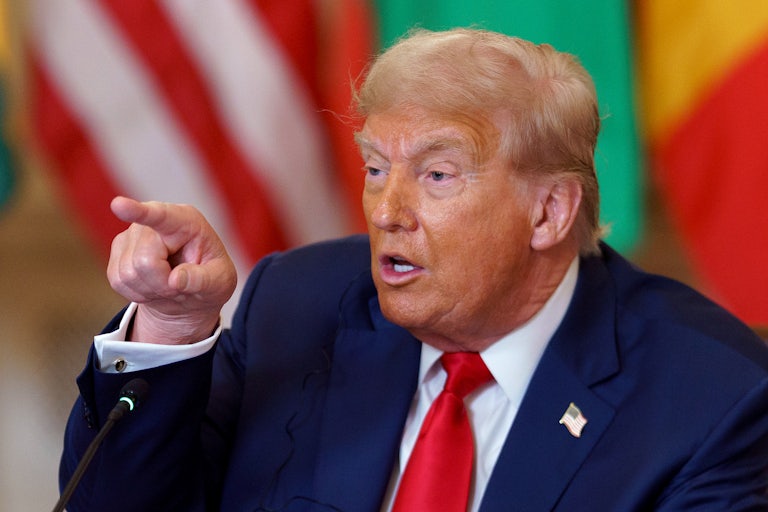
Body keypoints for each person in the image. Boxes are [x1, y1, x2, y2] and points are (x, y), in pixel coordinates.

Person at [59, 28, 768, 511]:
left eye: (436, 175)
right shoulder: (297, 306)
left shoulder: (713, 401)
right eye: (375, 168)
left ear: (549, 213)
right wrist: (172, 326)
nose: (386, 211)